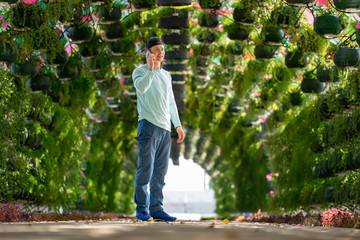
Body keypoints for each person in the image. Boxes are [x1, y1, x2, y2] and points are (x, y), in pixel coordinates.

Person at [132, 37, 185, 222]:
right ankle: (141, 210)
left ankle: (157, 209)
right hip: (147, 125)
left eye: (162, 49)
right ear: (148, 53)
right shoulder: (139, 72)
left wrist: (177, 125)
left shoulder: (167, 75)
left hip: (164, 128)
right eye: (156, 49)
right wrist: (151, 69)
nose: (160, 53)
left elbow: (171, 102)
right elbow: (142, 88)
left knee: (160, 172)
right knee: (145, 169)